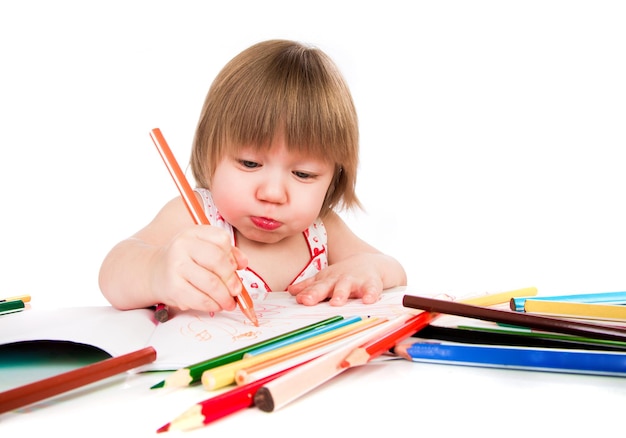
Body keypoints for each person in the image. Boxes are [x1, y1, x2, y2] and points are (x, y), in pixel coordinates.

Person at [98, 39, 407, 315]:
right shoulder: (195, 217)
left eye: (303, 173)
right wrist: (156, 271)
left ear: (334, 178)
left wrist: (367, 268)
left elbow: (394, 271)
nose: (272, 193)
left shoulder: (321, 231)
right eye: (249, 163)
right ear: (211, 152)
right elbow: (113, 271)